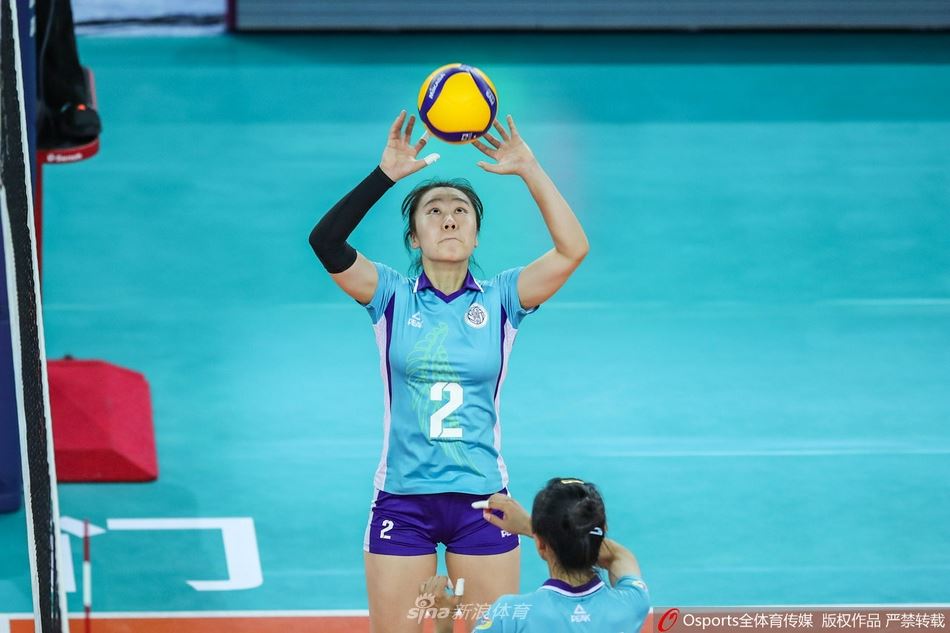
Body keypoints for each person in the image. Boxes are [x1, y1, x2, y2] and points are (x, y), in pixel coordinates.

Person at [309, 111, 589, 632]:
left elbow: (573, 250)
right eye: (433, 211)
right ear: (414, 238)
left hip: (483, 503)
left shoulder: (502, 298)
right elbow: (325, 242)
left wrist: (529, 168)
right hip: (402, 501)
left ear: (477, 235)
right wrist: (385, 175)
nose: (449, 219)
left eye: (461, 211)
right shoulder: (390, 295)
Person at [420, 478, 650, 632]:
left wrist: (444, 622)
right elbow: (619, 556)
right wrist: (540, 530)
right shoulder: (632, 603)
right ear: (602, 530)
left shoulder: (509, 615)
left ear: (540, 544)